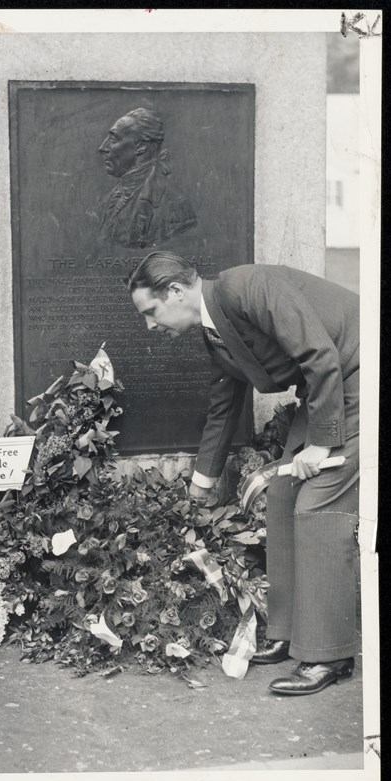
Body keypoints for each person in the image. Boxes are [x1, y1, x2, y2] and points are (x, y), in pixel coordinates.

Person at [127, 251, 360, 696]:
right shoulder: (214, 329)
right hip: (327, 385)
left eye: (151, 312)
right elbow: (223, 404)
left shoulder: (246, 287)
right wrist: (203, 480)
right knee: (282, 493)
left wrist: (321, 442)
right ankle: (291, 633)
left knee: (318, 503)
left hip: (357, 370)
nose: (150, 326)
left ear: (175, 292)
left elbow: (319, 352)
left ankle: (329, 655)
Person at [98, 108, 197, 249]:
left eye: (113, 139)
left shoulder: (174, 205)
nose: (102, 147)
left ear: (141, 146)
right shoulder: (112, 198)